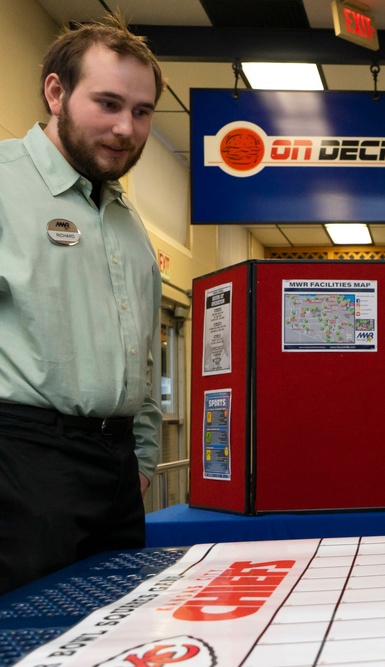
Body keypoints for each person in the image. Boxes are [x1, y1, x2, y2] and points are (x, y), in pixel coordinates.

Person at [0, 14, 164, 594]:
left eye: (141, 112)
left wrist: (141, 463)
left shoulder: (123, 218)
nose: (126, 128)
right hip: (24, 463)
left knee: (113, 632)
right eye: (109, 103)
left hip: (117, 470)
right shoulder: (3, 185)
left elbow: (143, 353)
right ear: (56, 92)